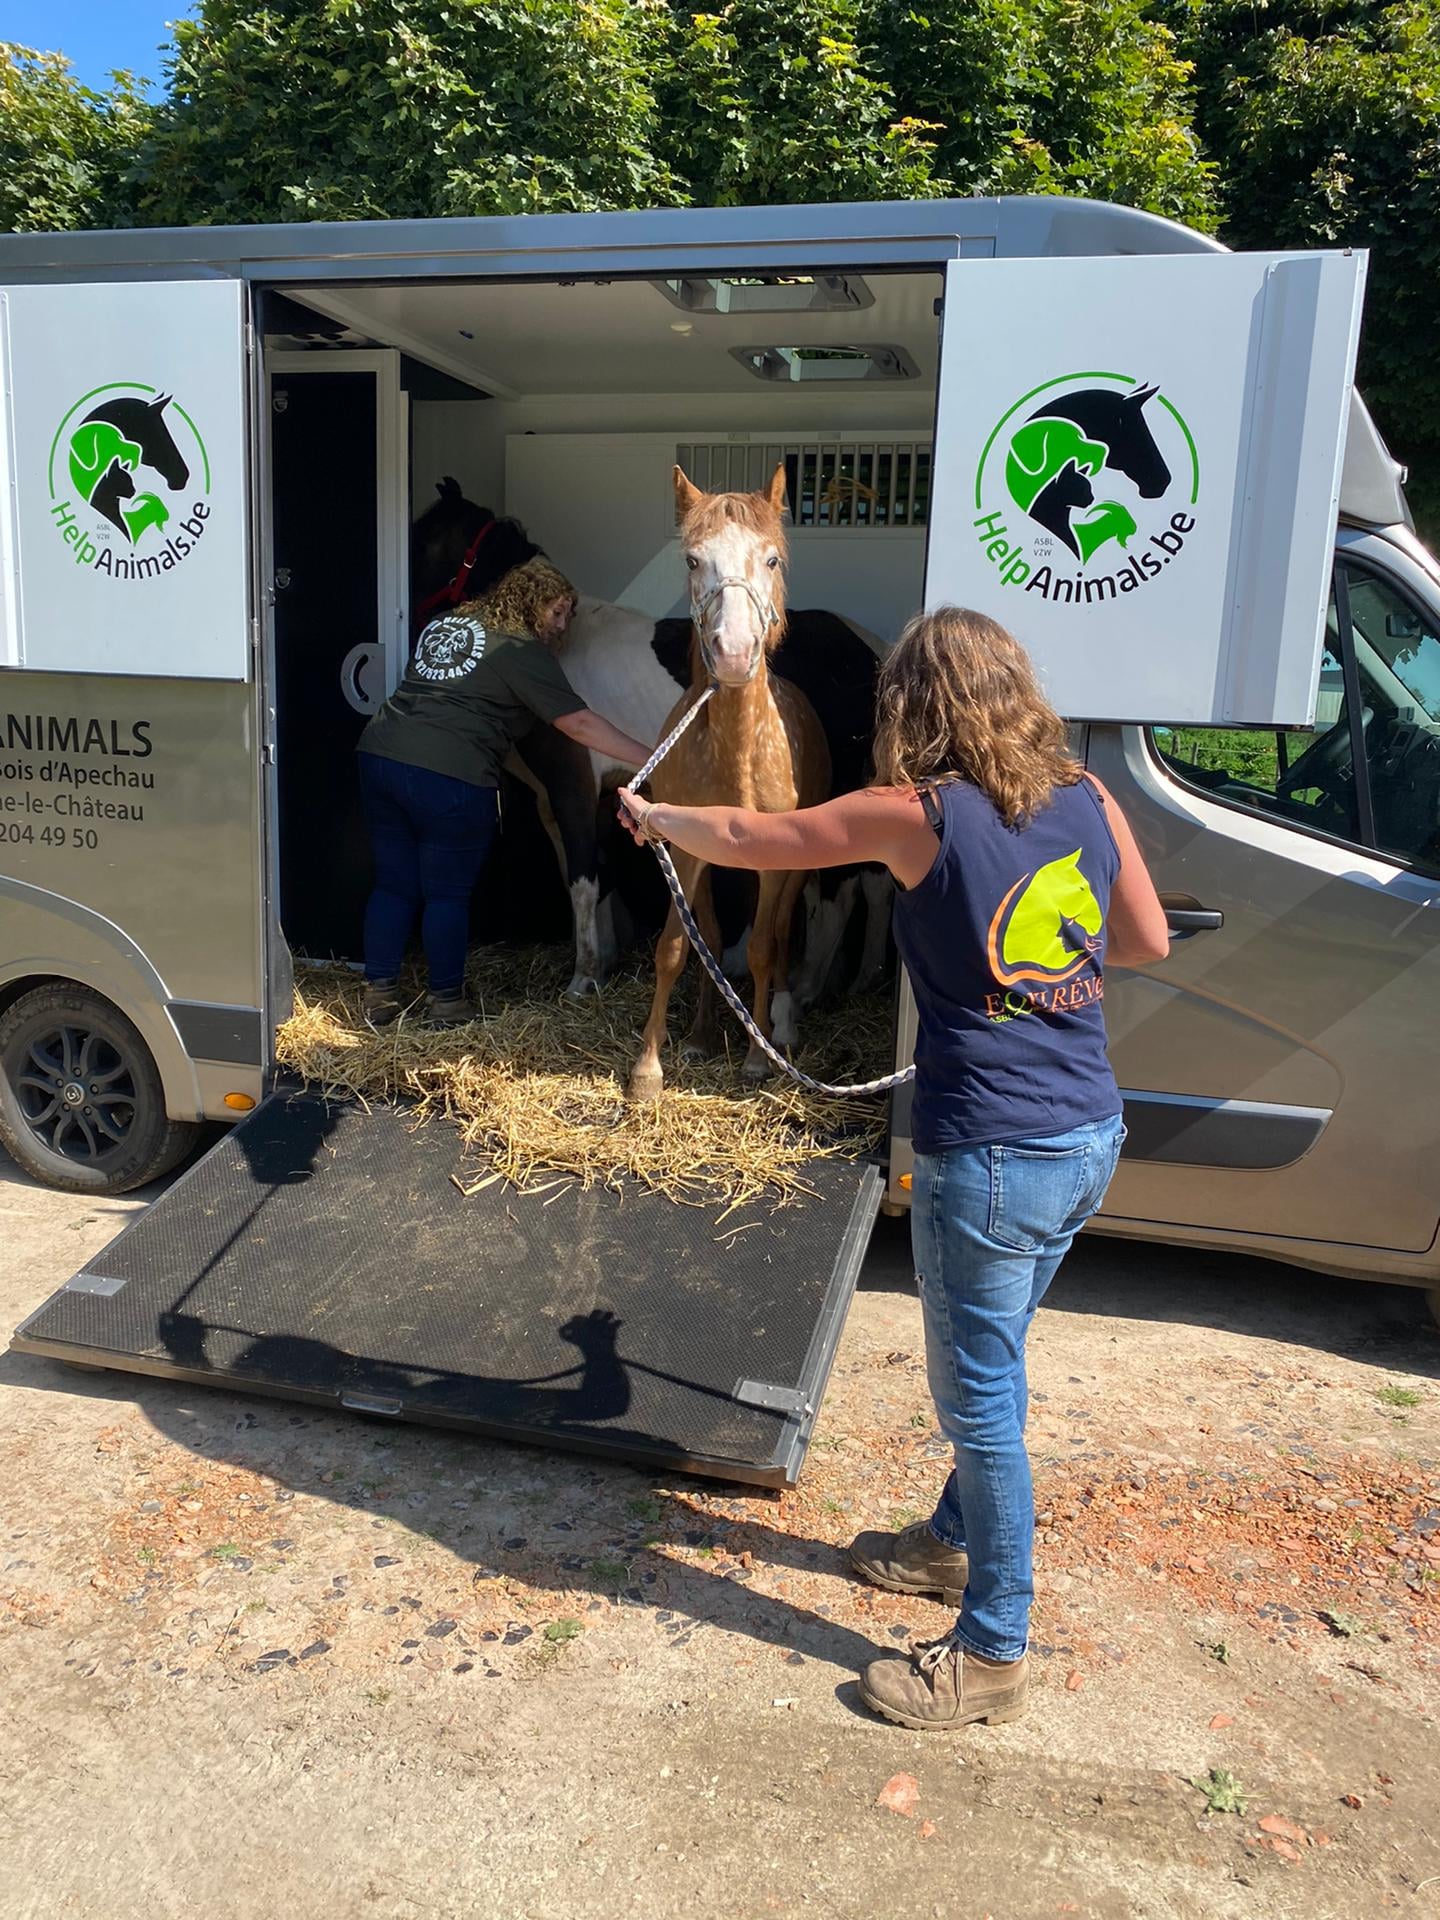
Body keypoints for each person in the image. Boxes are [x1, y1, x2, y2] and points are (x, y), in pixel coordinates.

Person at [618, 605, 1169, 1731]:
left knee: (985, 1414)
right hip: (1088, 1137)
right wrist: (1044, 966)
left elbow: (757, 840)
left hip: (994, 1154)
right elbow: (1146, 941)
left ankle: (994, 1651)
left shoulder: (915, 817)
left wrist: (654, 812)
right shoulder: (1090, 796)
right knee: (999, 1361)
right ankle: (947, 1546)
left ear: (911, 711)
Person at [357, 557, 651, 1027]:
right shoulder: (520, 651)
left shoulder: (446, 623)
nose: (562, 626)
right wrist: (651, 755)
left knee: (394, 884)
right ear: (531, 604)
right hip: (449, 773)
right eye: (557, 613)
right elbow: (577, 722)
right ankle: (447, 1002)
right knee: (446, 894)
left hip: (381, 757)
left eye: (568, 616)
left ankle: (379, 994)